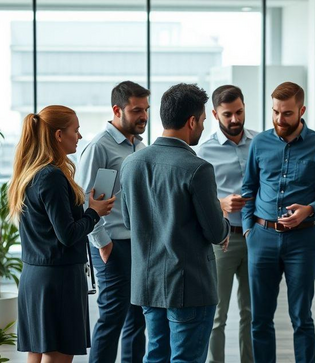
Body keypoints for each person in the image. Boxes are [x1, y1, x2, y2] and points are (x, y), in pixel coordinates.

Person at [120, 83, 231, 363]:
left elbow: (129, 219)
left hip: (148, 283)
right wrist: (225, 222)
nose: (203, 127)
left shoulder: (132, 164)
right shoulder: (197, 168)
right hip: (190, 285)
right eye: (204, 120)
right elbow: (216, 231)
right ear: (191, 121)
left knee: (155, 355)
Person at [9, 105, 115, 362]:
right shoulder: (52, 176)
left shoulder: (30, 173)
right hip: (58, 280)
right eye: (75, 130)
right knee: (57, 356)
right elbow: (66, 234)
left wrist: (85, 209)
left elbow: (51, 227)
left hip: (36, 277)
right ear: (58, 135)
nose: (79, 136)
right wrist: (94, 213)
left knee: (37, 354)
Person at [241, 82, 315, 363]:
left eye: (287, 114)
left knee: (301, 318)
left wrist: (310, 209)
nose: (279, 120)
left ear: (302, 110)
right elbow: (249, 188)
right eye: (275, 112)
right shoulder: (260, 142)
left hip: (303, 241)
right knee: (259, 319)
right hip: (262, 237)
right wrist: (249, 230)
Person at [75, 81, 148, 363]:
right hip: (111, 245)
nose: (143, 116)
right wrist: (104, 245)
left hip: (139, 245)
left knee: (137, 319)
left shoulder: (141, 147)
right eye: (136, 110)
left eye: (146, 110)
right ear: (117, 110)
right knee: (111, 319)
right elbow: (84, 201)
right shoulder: (99, 147)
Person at [197, 85, 256, 363]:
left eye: (239, 112)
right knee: (217, 314)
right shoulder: (202, 152)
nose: (235, 119)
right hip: (223, 240)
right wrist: (220, 203)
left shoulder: (259, 143)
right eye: (228, 114)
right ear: (214, 114)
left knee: (252, 312)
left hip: (255, 236)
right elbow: (195, 199)